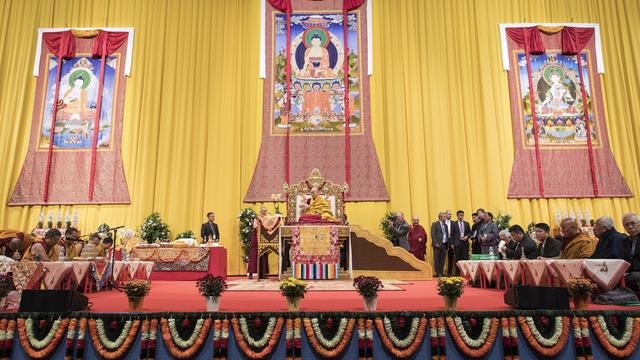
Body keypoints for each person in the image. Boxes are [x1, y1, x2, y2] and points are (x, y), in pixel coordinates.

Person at [247, 207, 271, 279]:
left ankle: (263, 274)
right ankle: (250, 273)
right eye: (263, 211)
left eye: (265, 211)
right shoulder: (257, 219)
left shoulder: (267, 219)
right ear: (260, 212)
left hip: (264, 239)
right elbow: (255, 227)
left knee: (264, 255)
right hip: (256, 239)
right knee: (254, 256)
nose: (264, 213)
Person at [623, 213, 640, 291]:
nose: (630, 227)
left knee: (633, 277)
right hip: (631, 273)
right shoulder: (625, 241)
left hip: (636, 274)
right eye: (627, 225)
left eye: (633, 223)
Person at [430, 212, 448, 277]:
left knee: (442, 259)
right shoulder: (435, 224)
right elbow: (433, 234)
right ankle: (437, 273)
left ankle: (441, 272)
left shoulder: (445, 225)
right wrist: (436, 243)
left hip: (444, 244)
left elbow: (446, 234)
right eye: (444, 217)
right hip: (437, 244)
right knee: (437, 259)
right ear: (440, 217)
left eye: (445, 217)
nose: (445, 218)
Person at [444, 210, 459, 276]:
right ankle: (441, 272)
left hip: (451, 240)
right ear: (445, 214)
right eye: (448, 214)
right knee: (443, 256)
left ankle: (450, 272)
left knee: (451, 257)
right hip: (444, 241)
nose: (450, 215)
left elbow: (455, 233)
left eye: (450, 214)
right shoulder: (442, 222)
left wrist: (453, 243)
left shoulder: (454, 223)